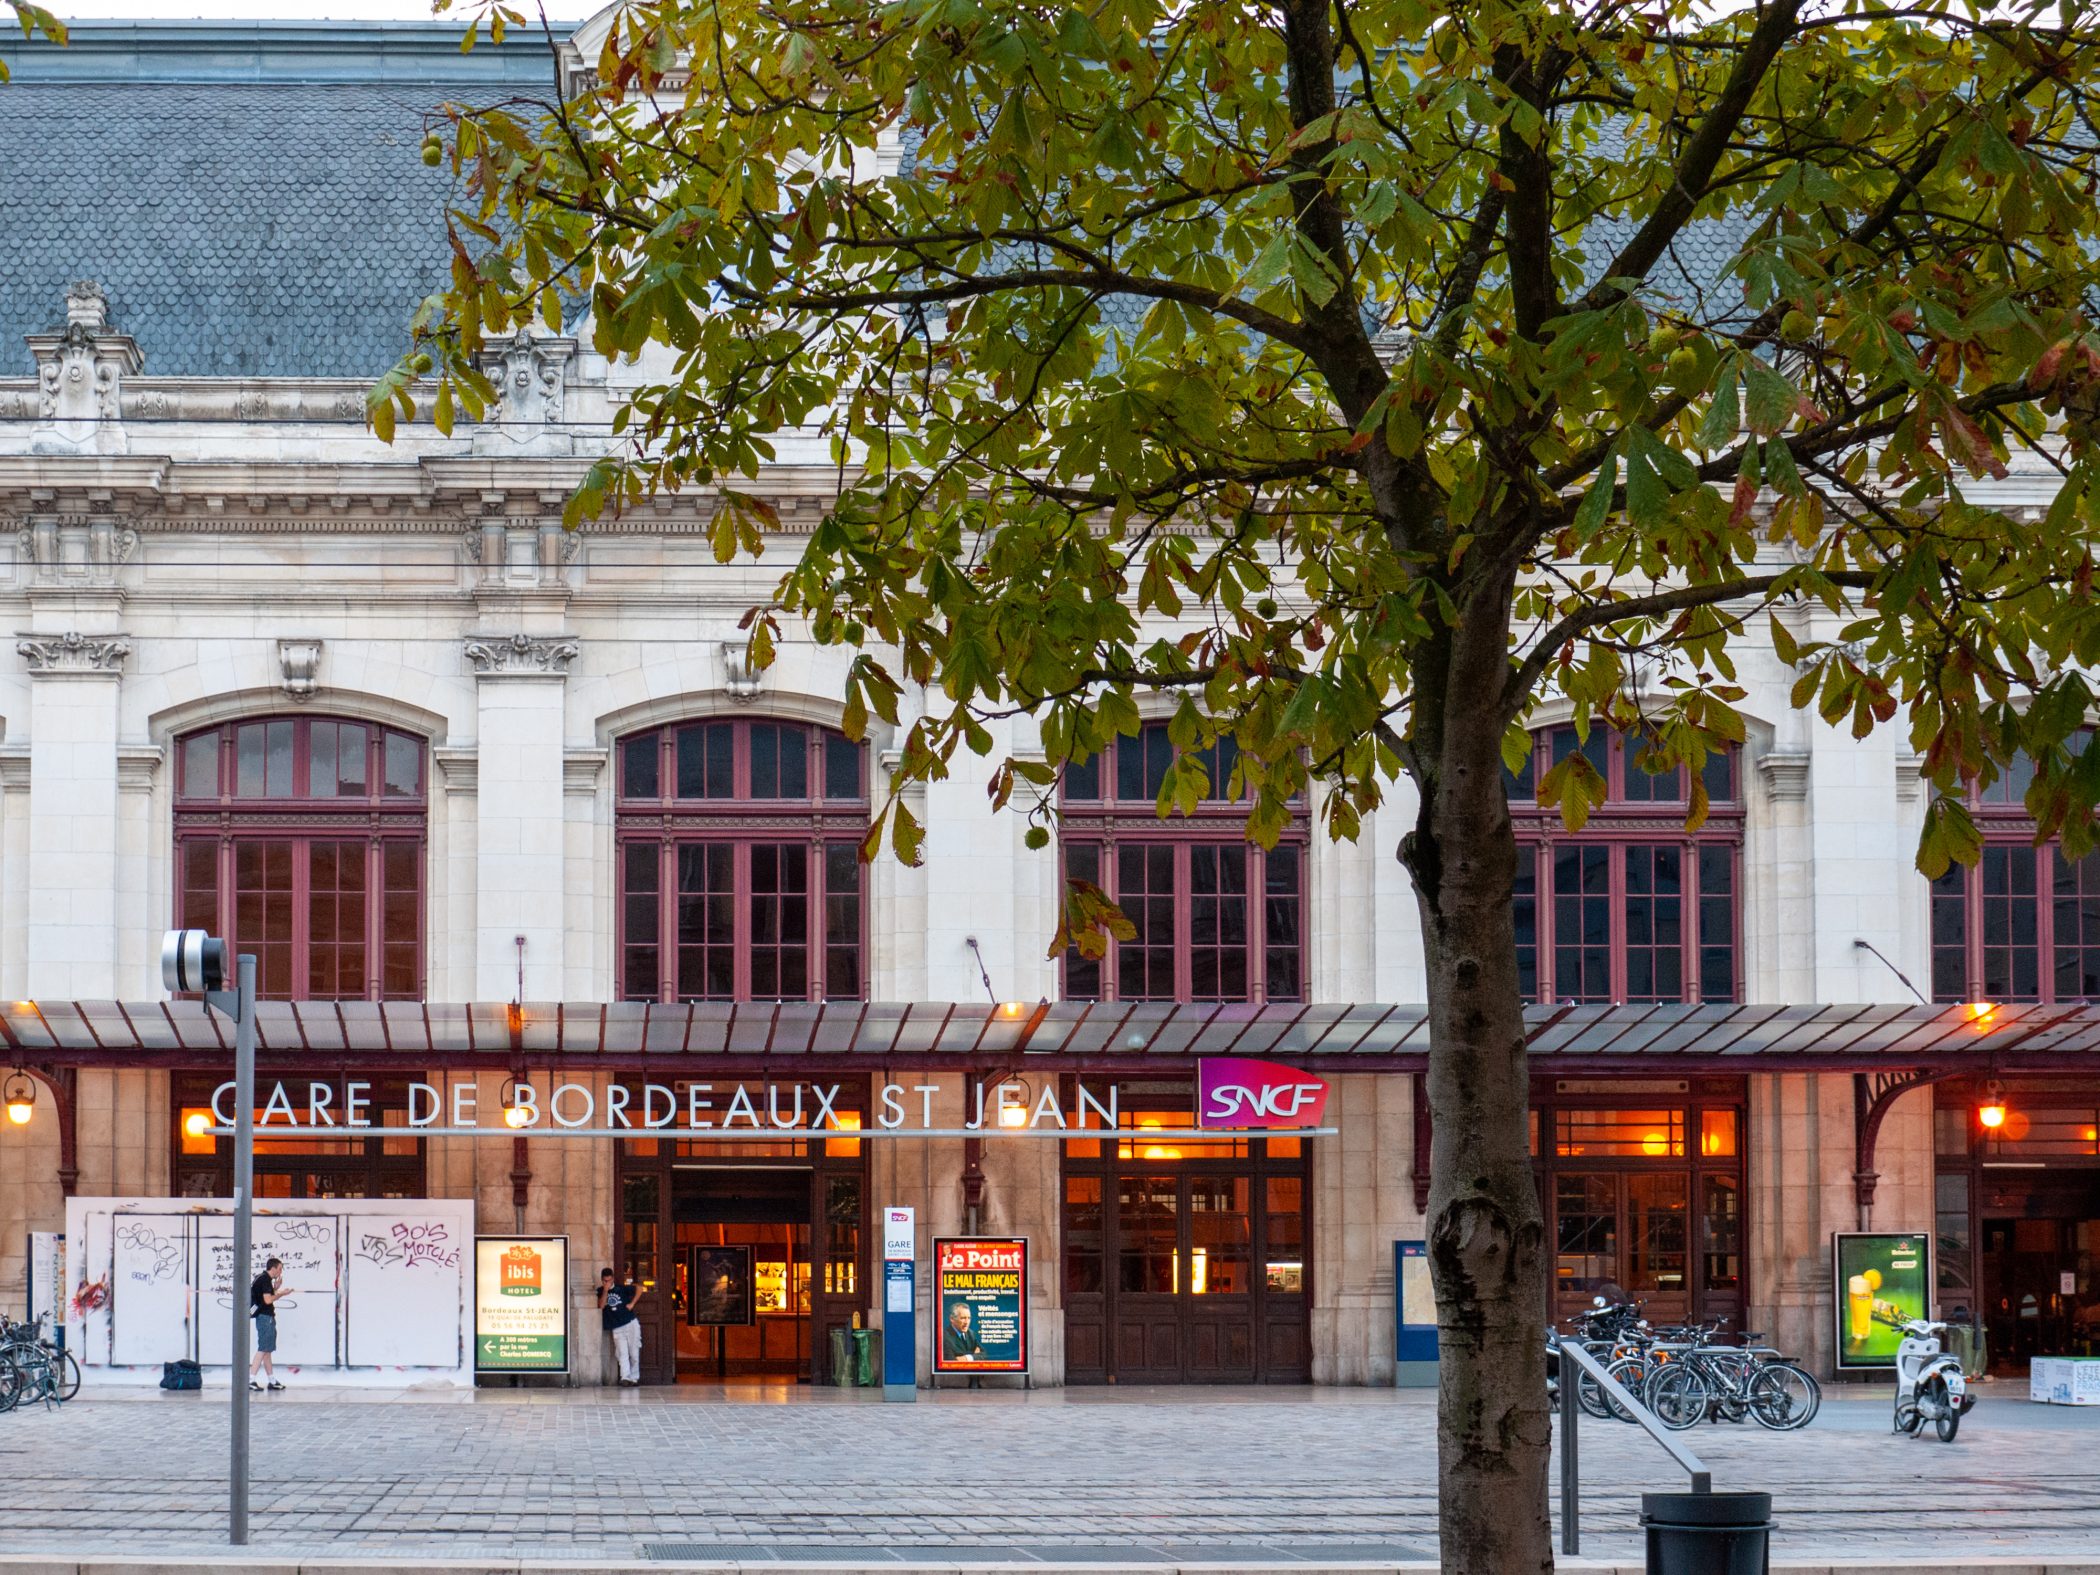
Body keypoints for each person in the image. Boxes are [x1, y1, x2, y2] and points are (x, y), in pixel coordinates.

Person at [597, 1266, 645, 1386]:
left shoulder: (621, 1288)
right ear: (602, 1280)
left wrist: (632, 1303)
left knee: (634, 1352)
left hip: (630, 1322)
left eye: (609, 1280)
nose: (607, 1282)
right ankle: (625, 1377)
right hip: (617, 1326)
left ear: (613, 1279)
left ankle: (634, 1378)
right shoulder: (600, 1291)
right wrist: (605, 1290)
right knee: (622, 1352)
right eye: (605, 1281)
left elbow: (639, 1288)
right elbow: (601, 1306)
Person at [249, 1257, 284, 1391]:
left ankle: (271, 1380)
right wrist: (281, 1294)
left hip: (263, 1317)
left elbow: (265, 1298)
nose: (280, 1272)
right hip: (265, 1318)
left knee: (267, 1350)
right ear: (273, 1268)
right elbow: (268, 1300)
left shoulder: (263, 1279)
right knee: (263, 1349)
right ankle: (251, 1379)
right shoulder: (265, 1280)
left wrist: (275, 1288)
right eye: (279, 1269)